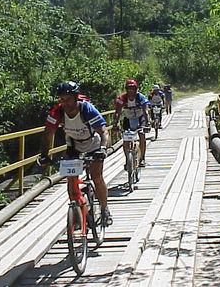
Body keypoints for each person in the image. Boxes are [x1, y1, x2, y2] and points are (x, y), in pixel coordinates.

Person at [39, 81, 112, 226]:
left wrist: (103, 149)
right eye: (62, 99)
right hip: (74, 145)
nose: (65, 103)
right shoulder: (58, 111)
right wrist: (44, 155)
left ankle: (105, 209)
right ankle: (77, 211)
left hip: (92, 144)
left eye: (68, 99)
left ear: (76, 97)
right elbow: (48, 134)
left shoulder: (87, 109)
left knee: (97, 177)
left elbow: (103, 131)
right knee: (71, 181)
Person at [112, 79, 150, 167]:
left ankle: (142, 158)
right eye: (129, 89)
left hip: (140, 118)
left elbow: (145, 111)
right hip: (128, 119)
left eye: (133, 89)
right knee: (126, 140)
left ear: (136, 89)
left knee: (141, 135)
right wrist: (115, 124)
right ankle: (128, 160)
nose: (131, 91)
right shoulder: (122, 98)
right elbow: (117, 112)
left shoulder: (141, 97)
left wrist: (147, 124)